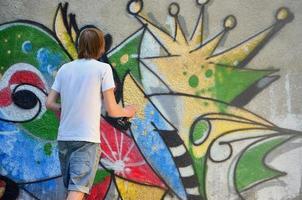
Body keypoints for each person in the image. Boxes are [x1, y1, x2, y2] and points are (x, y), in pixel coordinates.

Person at [46, 28, 136, 200]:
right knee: (77, 190)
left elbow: (49, 103)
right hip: (86, 140)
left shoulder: (65, 69)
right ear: (101, 47)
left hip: (64, 138)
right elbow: (112, 109)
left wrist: (63, 108)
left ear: (80, 45)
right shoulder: (103, 69)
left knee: (73, 189)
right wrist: (128, 111)